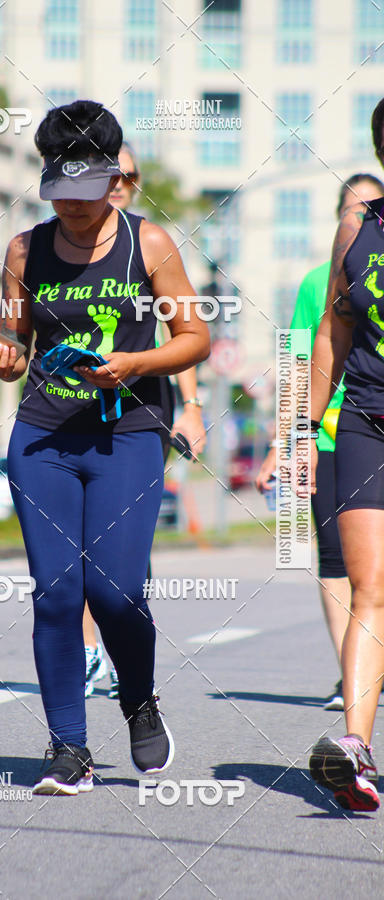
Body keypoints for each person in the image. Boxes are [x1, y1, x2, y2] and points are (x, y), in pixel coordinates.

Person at [0, 99, 210, 795]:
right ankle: (68, 749)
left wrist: (135, 365)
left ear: (114, 180)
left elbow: (195, 338)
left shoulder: (152, 244)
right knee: (56, 595)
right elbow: (14, 344)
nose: (73, 210)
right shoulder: (26, 249)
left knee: (114, 592)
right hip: (44, 435)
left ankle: (138, 700)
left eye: (87, 195)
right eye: (61, 196)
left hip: (129, 435)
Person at [83, 140, 207, 699]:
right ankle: (89, 655)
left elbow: (182, 338)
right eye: (109, 176)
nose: (117, 186)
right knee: (82, 543)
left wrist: (194, 408)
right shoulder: (63, 243)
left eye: (126, 178)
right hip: (71, 408)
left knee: (122, 544)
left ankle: (122, 639)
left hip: (142, 407)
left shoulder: (148, 244)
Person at [256, 174, 384, 712]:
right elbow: (297, 360)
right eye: (351, 205)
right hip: (337, 430)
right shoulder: (318, 280)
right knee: (340, 562)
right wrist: (284, 441)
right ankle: (347, 674)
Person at [307, 97, 384, 812]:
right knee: (370, 587)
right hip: (364, 417)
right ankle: (355, 749)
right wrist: (307, 429)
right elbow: (331, 330)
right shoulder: (359, 230)